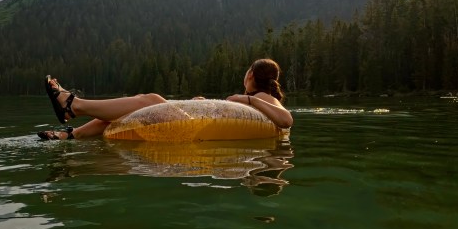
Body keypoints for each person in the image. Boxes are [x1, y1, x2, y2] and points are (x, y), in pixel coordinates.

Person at [38, 58, 294, 140]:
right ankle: (68, 135)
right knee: (130, 111)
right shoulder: (257, 98)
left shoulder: (263, 97)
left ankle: (74, 104)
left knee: (149, 98)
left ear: (250, 75)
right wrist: (200, 103)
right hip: (200, 124)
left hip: (195, 131)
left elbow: (286, 120)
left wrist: (249, 101)